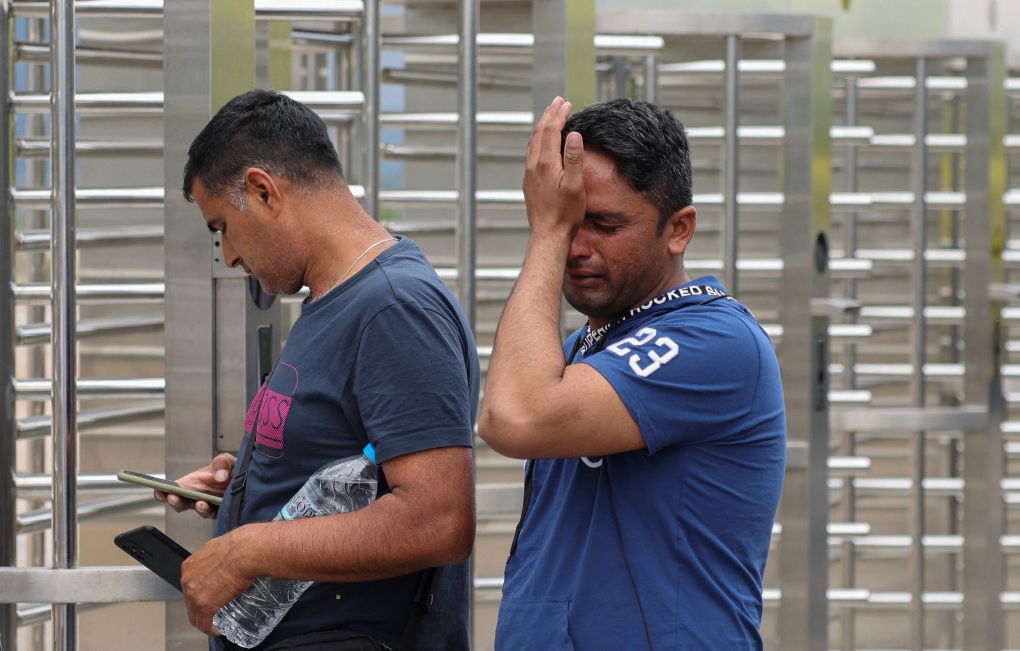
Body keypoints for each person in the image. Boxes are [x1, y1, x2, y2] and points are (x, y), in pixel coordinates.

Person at [158, 89, 479, 651]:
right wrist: (246, 484)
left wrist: (247, 550)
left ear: (262, 191)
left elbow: (438, 519)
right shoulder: (335, 300)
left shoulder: (393, 308)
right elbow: (352, 466)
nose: (228, 255)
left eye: (223, 227)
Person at [477, 97, 786, 650]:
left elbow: (512, 417)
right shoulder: (579, 349)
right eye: (568, 222)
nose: (576, 247)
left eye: (605, 224)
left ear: (679, 230)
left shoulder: (717, 342)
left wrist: (547, 231)